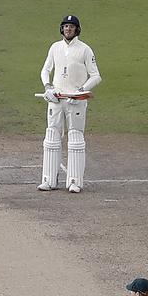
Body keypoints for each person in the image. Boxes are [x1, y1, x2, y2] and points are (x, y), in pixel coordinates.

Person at [38, 15, 101, 193]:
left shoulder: (85, 49)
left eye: (71, 27)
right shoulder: (55, 47)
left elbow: (96, 76)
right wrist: (48, 86)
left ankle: (74, 181)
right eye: (65, 26)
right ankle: (48, 180)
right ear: (62, 29)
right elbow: (45, 69)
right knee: (51, 136)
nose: (68, 29)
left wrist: (81, 90)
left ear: (77, 29)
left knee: (75, 138)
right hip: (56, 98)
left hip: (76, 101)